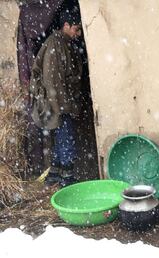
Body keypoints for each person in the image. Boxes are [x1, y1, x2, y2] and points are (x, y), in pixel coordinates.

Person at [29, 9, 83, 187]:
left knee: (61, 139)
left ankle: (55, 176)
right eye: (76, 29)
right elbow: (53, 82)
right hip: (57, 103)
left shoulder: (63, 42)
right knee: (66, 139)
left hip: (58, 102)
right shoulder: (56, 45)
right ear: (66, 25)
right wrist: (64, 108)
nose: (78, 34)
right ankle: (66, 179)